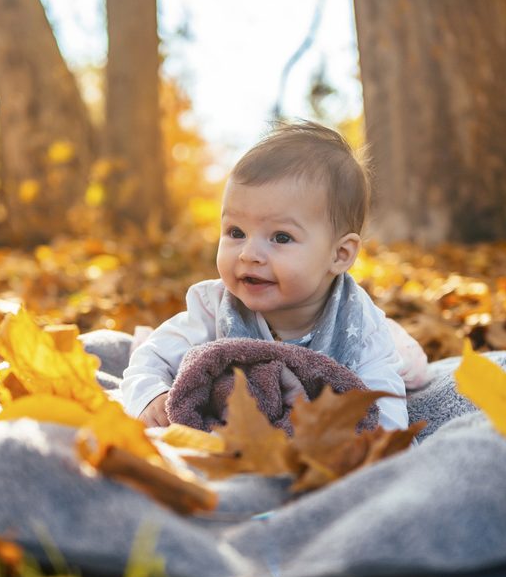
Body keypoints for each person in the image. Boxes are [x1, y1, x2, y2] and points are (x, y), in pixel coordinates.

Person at [121, 120, 428, 429]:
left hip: (376, 348)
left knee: (409, 368)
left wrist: (381, 444)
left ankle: (401, 342)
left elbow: (383, 403)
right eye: (236, 232)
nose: (248, 254)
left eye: (281, 237)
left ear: (339, 255)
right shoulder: (214, 308)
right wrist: (150, 395)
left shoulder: (358, 325)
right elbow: (151, 360)